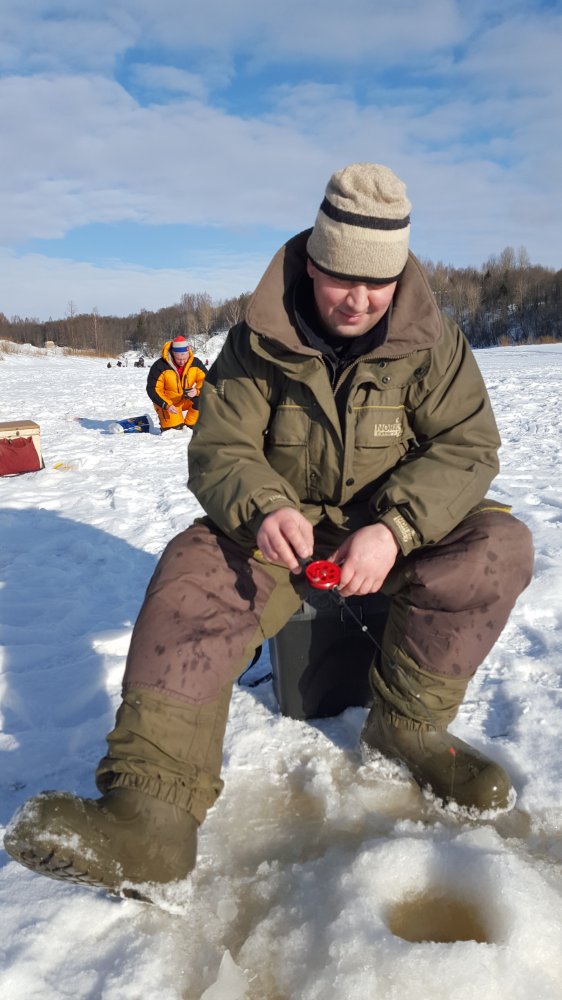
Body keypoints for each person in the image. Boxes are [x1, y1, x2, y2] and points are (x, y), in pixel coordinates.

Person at [4, 163, 534, 899]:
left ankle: (408, 728)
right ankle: (152, 815)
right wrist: (263, 509)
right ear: (313, 262)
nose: (359, 299)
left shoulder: (435, 345)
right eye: (342, 277)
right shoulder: (255, 343)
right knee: (193, 568)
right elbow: (220, 448)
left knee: (498, 547)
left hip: (391, 535)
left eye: (378, 282)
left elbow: (468, 448)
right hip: (282, 534)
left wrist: (397, 526)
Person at [146, 335, 207, 431]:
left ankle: (191, 423)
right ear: (172, 354)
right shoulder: (160, 366)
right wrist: (166, 405)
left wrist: (197, 391)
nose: (182, 362)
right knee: (175, 431)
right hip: (168, 404)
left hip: (186, 400)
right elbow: (153, 389)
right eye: (178, 359)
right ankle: (173, 422)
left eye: (184, 359)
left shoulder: (195, 363)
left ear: (188, 353)